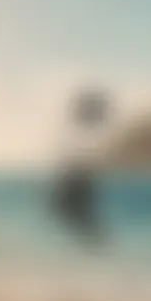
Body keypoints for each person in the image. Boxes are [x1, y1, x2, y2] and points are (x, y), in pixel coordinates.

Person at [50, 89, 111, 244]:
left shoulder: (78, 136)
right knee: (80, 220)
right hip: (73, 184)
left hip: (74, 185)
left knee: (80, 221)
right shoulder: (77, 136)